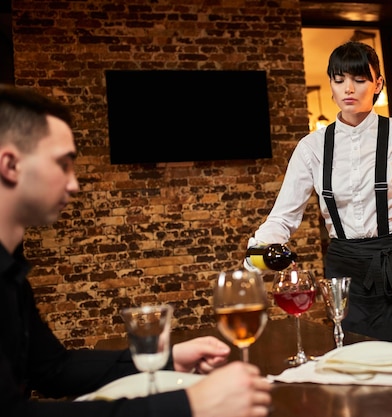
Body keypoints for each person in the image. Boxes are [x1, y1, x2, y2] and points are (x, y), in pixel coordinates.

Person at [0, 84, 272, 417]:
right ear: (10, 165)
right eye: (63, 164)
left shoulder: (10, 271)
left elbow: (54, 370)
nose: (74, 184)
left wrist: (169, 359)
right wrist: (188, 405)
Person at [247, 41, 392, 341]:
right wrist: (255, 254)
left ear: (378, 83)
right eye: (339, 80)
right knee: (355, 356)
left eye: (359, 79)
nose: (349, 89)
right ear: (331, 85)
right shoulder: (311, 148)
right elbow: (283, 218)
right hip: (346, 271)